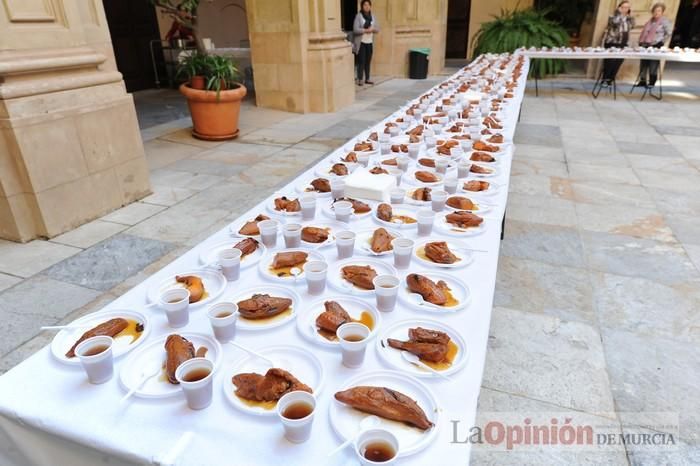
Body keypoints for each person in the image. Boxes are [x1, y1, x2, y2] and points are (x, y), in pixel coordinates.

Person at [637, 2, 673, 88]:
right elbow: (644, 32)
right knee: (643, 63)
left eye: (659, 11)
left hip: (656, 44)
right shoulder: (650, 21)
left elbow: (669, 33)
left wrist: (662, 42)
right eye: (655, 11)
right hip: (645, 44)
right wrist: (641, 42)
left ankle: (652, 82)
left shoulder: (664, 21)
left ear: (662, 12)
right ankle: (642, 81)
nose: (657, 13)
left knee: (653, 64)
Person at [601, 1, 634, 85]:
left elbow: (631, 26)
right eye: (623, 7)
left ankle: (610, 79)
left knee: (618, 62)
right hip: (612, 42)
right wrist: (619, 15)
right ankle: (605, 79)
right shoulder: (612, 17)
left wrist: (626, 18)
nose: (625, 9)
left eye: (627, 7)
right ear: (619, 7)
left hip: (623, 43)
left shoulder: (630, 19)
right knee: (609, 62)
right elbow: (614, 23)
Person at [353, 0, 379, 86]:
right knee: (361, 61)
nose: (366, 6)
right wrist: (365, 30)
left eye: (368, 5)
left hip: (370, 42)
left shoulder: (373, 16)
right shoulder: (358, 16)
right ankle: (360, 79)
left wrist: (372, 29)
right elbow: (355, 30)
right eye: (365, 5)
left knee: (368, 61)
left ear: (370, 6)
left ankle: (367, 78)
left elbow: (377, 29)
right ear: (362, 6)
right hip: (362, 42)